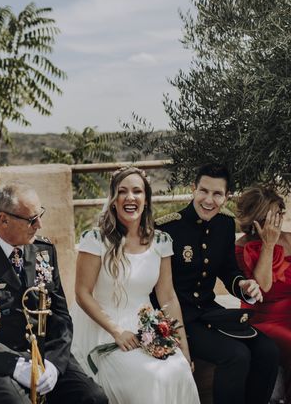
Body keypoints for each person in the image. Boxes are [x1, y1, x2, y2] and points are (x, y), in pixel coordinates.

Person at [0, 183, 107, 404]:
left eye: (39, 215)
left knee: (93, 398)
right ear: (3, 220)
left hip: (43, 357)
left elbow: (61, 316)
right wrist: (14, 364)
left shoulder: (43, 250)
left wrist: (54, 364)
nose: (39, 225)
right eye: (32, 220)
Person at [71, 166, 199, 403]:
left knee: (179, 369)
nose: (130, 197)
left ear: (146, 199)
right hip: (105, 330)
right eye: (122, 191)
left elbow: (168, 297)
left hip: (147, 329)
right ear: (113, 200)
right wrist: (116, 331)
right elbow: (82, 293)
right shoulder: (95, 240)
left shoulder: (161, 241)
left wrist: (184, 347)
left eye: (137, 191)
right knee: (150, 376)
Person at [155, 163, 279, 404]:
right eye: (204, 191)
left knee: (268, 350)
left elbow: (228, 270)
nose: (209, 200)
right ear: (193, 189)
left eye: (217, 194)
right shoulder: (168, 229)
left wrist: (243, 285)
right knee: (236, 355)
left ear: (226, 196)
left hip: (210, 313)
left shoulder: (224, 224)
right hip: (179, 318)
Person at [235, 186, 291, 404]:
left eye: (279, 214)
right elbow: (261, 288)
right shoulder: (241, 248)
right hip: (263, 320)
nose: (276, 222)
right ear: (255, 219)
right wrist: (268, 245)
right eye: (269, 216)